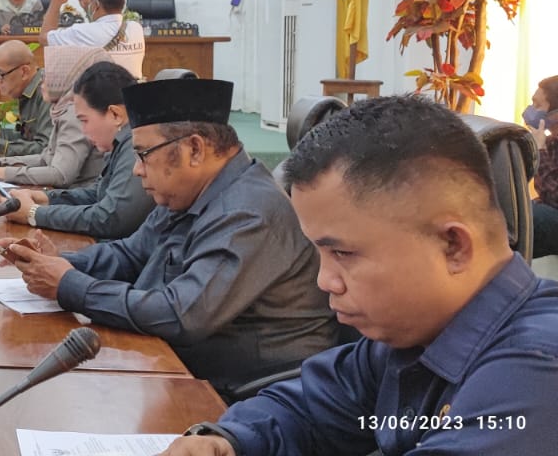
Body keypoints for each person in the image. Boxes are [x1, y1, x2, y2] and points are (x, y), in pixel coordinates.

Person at [161, 96, 558, 456]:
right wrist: (226, 441)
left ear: (453, 245)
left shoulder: (537, 370)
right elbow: (308, 409)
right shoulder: (410, 336)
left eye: (343, 253)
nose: (325, 281)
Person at [0, 78, 335, 387]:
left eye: (143, 154)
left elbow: (181, 314)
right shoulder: (192, 190)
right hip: (176, 364)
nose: (136, 169)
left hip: (244, 396)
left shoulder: (248, 212)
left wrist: (68, 284)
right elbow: (131, 254)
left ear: (195, 150)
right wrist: (57, 262)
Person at [8, 61, 155, 239]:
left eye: (84, 120)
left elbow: (110, 218)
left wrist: (34, 214)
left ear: (115, 114)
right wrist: (45, 198)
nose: (83, 131)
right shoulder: (120, 141)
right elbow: (97, 194)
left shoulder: (135, 145)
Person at [0, 46, 109, 189]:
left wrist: (0, 172)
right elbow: (46, 158)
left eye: (49, 75)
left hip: (79, 197)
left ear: (68, 79)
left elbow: (60, 175)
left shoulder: (74, 115)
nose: (42, 81)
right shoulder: (62, 109)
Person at [39, 0, 145, 78]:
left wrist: (56, 2)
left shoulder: (81, 32)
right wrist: (89, 6)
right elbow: (99, 30)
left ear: (96, 4)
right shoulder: (136, 28)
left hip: (102, 90)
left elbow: (44, 38)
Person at [0, 40, 51, 157]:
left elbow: (45, 149)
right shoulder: (27, 91)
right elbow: (24, 139)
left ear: (24, 72)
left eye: (0, 74)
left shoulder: (47, 92)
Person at [527, 75, 558, 259]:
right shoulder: (552, 142)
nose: (531, 111)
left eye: (538, 105)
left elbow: (554, 198)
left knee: (531, 216)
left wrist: (539, 150)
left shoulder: (545, 145)